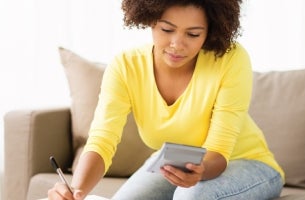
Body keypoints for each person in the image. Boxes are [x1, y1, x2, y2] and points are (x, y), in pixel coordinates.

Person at [48, 0, 285, 199]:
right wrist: (75, 191)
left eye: (193, 34)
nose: (177, 44)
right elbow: (102, 140)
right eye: (167, 30)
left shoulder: (229, 59)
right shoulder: (125, 66)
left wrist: (199, 172)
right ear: (150, 20)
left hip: (250, 165)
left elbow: (219, 151)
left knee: (188, 195)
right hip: (173, 164)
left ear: (210, 30)